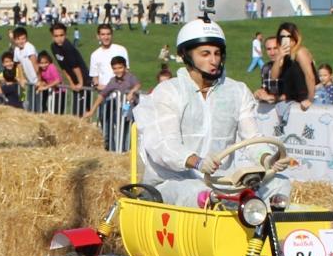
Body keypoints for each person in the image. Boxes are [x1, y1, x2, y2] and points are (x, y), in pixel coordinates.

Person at [132, 15, 291, 208]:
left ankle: (261, 235)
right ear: (186, 55)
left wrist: (268, 159)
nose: (214, 60)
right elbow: (163, 145)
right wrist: (196, 162)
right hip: (173, 181)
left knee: (280, 183)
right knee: (200, 193)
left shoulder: (237, 91)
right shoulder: (168, 91)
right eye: (205, 54)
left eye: (217, 53)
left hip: (221, 182)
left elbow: (252, 140)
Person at [83, 56, 141, 150]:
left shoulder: (130, 77)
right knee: (121, 132)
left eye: (120, 68)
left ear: (125, 67)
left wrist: (132, 92)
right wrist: (92, 111)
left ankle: (130, 152)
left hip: (134, 111)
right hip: (123, 112)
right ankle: (121, 151)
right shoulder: (113, 81)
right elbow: (102, 95)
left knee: (131, 134)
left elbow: (138, 85)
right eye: (115, 68)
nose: (118, 70)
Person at [269, 22, 316, 109]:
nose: (286, 39)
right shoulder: (285, 56)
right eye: (282, 37)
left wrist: (310, 99)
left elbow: (310, 76)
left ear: (295, 37)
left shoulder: (300, 52)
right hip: (296, 101)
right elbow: (273, 77)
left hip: (310, 98)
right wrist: (279, 57)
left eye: (289, 36)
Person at [50, 22, 90, 116]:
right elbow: (63, 67)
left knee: (82, 110)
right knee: (76, 110)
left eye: (61, 35)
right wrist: (71, 82)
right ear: (52, 36)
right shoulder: (53, 47)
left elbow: (75, 67)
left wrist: (80, 82)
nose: (59, 38)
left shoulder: (68, 47)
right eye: (56, 36)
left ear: (65, 35)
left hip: (84, 79)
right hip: (74, 80)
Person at [254, 36, 281, 104]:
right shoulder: (265, 68)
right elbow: (265, 88)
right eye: (269, 49)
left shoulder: (290, 67)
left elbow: (295, 94)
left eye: (275, 48)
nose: (272, 53)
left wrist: (275, 98)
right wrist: (259, 93)